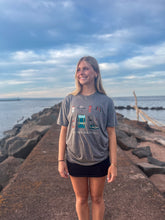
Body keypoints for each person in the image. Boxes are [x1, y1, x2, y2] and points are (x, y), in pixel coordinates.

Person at [57, 56, 117, 220]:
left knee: (97, 199)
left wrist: (113, 164)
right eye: (78, 69)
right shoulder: (69, 99)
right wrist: (61, 160)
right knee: (81, 199)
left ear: (96, 73)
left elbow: (111, 134)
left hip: (99, 159)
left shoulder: (106, 102)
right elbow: (63, 131)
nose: (80, 72)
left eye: (85, 68)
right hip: (75, 159)